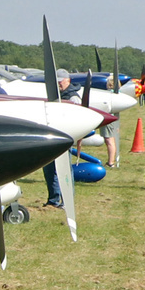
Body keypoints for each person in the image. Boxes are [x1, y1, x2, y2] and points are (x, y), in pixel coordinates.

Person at [42, 69, 80, 207]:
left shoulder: (73, 98)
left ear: (68, 81)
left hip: (64, 138)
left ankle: (66, 201)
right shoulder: (55, 95)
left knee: (63, 170)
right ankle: (53, 200)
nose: (58, 84)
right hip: (52, 137)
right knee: (49, 169)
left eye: (60, 81)